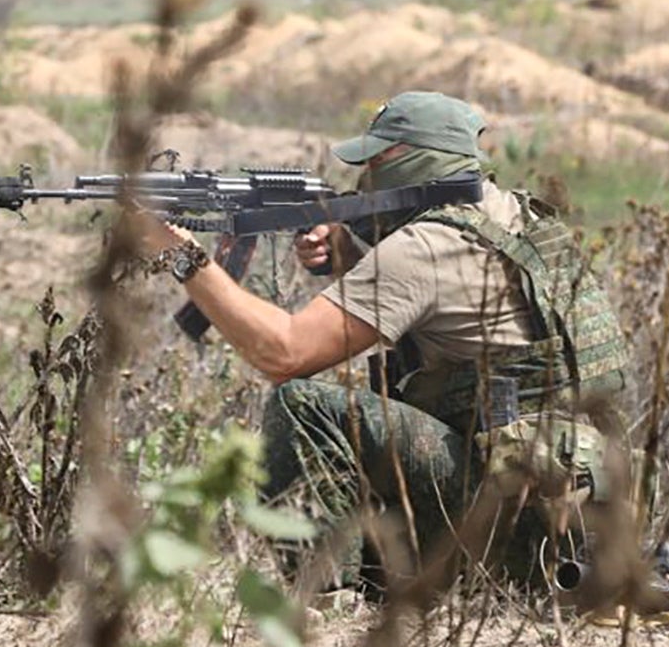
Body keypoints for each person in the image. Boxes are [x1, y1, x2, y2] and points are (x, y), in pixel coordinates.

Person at [142, 91, 634, 593]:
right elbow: (449, 312)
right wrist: (348, 258)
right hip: (584, 514)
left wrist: (185, 258)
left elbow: (283, 353)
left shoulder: (422, 248)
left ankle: (326, 598)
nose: (366, 174)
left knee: (301, 406)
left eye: (378, 159)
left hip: (517, 530)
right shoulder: (519, 220)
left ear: (414, 162)